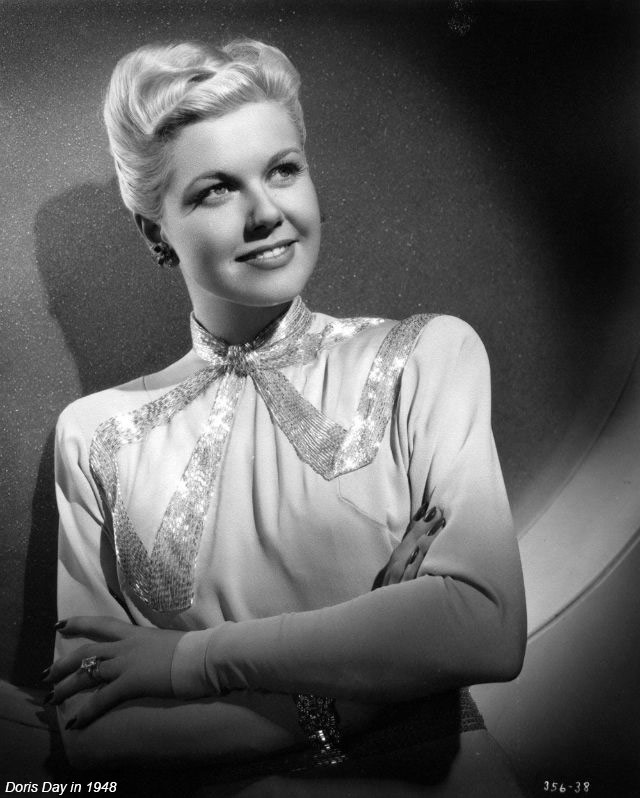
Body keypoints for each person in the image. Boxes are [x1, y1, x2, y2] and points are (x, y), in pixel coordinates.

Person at [44, 38, 526, 788]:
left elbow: (485, 628)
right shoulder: (94, 436)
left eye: (283, 170)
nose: (266, 212)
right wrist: (368, 689)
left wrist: (187, 661)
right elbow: (96, 738)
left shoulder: (425, 355)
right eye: (216, 190)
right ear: (154, 231)